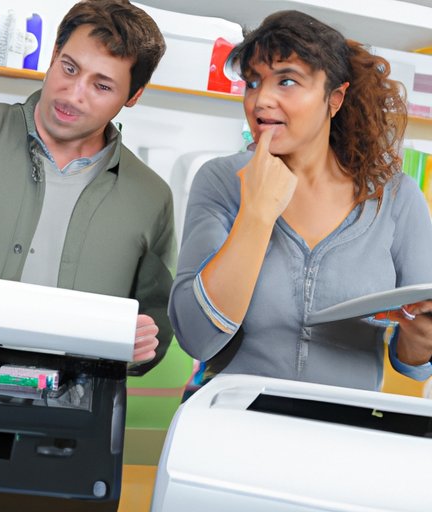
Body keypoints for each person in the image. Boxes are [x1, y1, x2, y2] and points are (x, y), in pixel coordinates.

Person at [169, 10, 432, 391]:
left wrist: (420, 339)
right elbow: (196, 337)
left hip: (343, 423)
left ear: (334, 99)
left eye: (287, 81)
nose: (261, 100)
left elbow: (413, 364)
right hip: (230, 416)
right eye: (253, 82)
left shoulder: (398, 198)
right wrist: (256, 214)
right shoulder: (220, 181)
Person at [0, 0, 176, 375]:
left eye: (102, 85)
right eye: (69, 68)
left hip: (72, 402)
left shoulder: (152, 197)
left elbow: (155, 330)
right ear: (54, 55)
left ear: (133, 96)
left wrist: (140, 345)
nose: (73, 94)